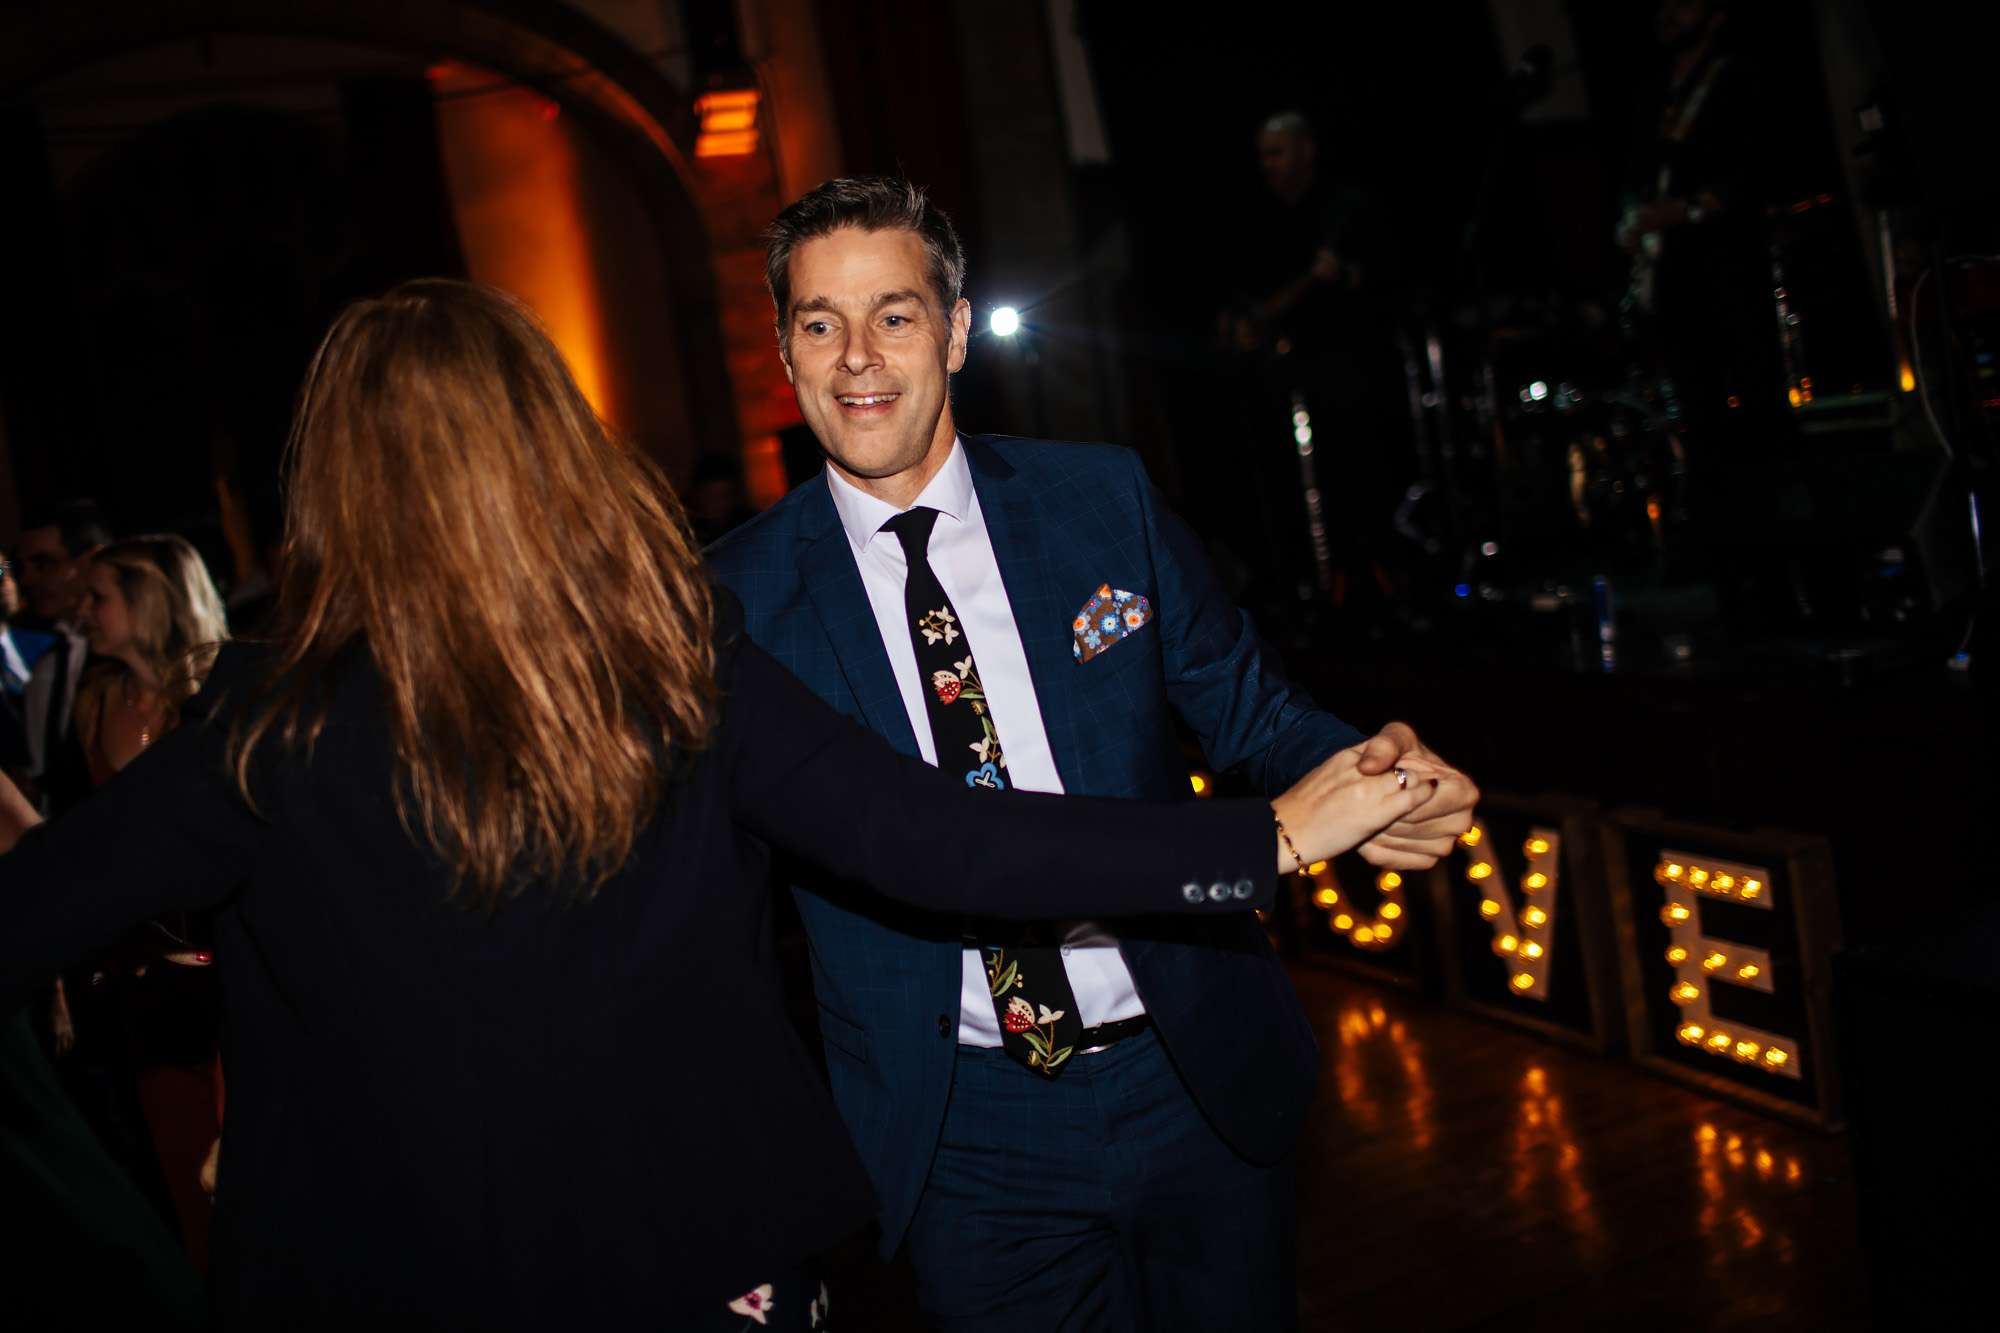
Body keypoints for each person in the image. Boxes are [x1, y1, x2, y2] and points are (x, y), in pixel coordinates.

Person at [0, 279, 1436, 1330]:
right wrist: (1266, 835)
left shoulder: (261, 736)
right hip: (718, 1279)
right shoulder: (676, 670)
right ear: (546, 443)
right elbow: (950, 842)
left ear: (336, 487)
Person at [706, 176, 1477, 1331]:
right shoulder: (732, 598)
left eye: (895, 315)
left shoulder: (1096, 499)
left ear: (956, 330)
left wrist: (1373, 778)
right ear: (783, 349)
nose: (857, 356)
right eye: (820, 322)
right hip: (962, 1131)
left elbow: (1254, 714)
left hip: (1193, 1071)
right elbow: (723, 919)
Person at [16, 499, 115, 815]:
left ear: (89, 560)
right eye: (22, 568)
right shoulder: (48, 666)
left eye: (44, 564)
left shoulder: (125, 660)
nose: (27, 580)